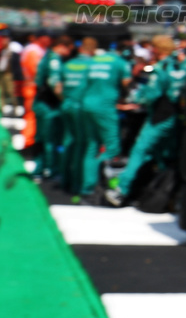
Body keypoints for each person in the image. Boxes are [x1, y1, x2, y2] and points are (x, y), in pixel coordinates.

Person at [107, 35, 186, 205]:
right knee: (167, 154)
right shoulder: (182, 65)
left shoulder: (159, 69)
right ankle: (170, 192)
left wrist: (134, 100)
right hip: (177, 116)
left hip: (159, 116)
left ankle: (121, 190)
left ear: (157, 49)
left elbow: (150, 94)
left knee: (139, 151)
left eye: (153, 48)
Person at [76, 38, 131, 198]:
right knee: (112, 147)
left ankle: (87, 188)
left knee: (92, 146)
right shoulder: (119, 62)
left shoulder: (93, 61)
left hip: (87, 104)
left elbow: (85, 84)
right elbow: (127, 83)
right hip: (105, 106)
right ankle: (105, 185)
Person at [32, 35, 73, 180]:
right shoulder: (54, 59)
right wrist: (65, 101)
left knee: (41, 138)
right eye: (69, 49)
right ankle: (52, 170)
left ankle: (39, 168)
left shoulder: (46, 56)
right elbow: (55, 84)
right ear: (63, 46)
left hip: (40, 102)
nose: (69, 54)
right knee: (50, 139)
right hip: (49, 106)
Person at [58, 38, 94, 197]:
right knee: (82, 145)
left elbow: (58, 87)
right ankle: (76, 184)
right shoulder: (92, 65)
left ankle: (64, 178)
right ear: (92, 50)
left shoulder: (67, 64)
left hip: (66, 104)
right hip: (80, 107)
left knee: (68, 141)